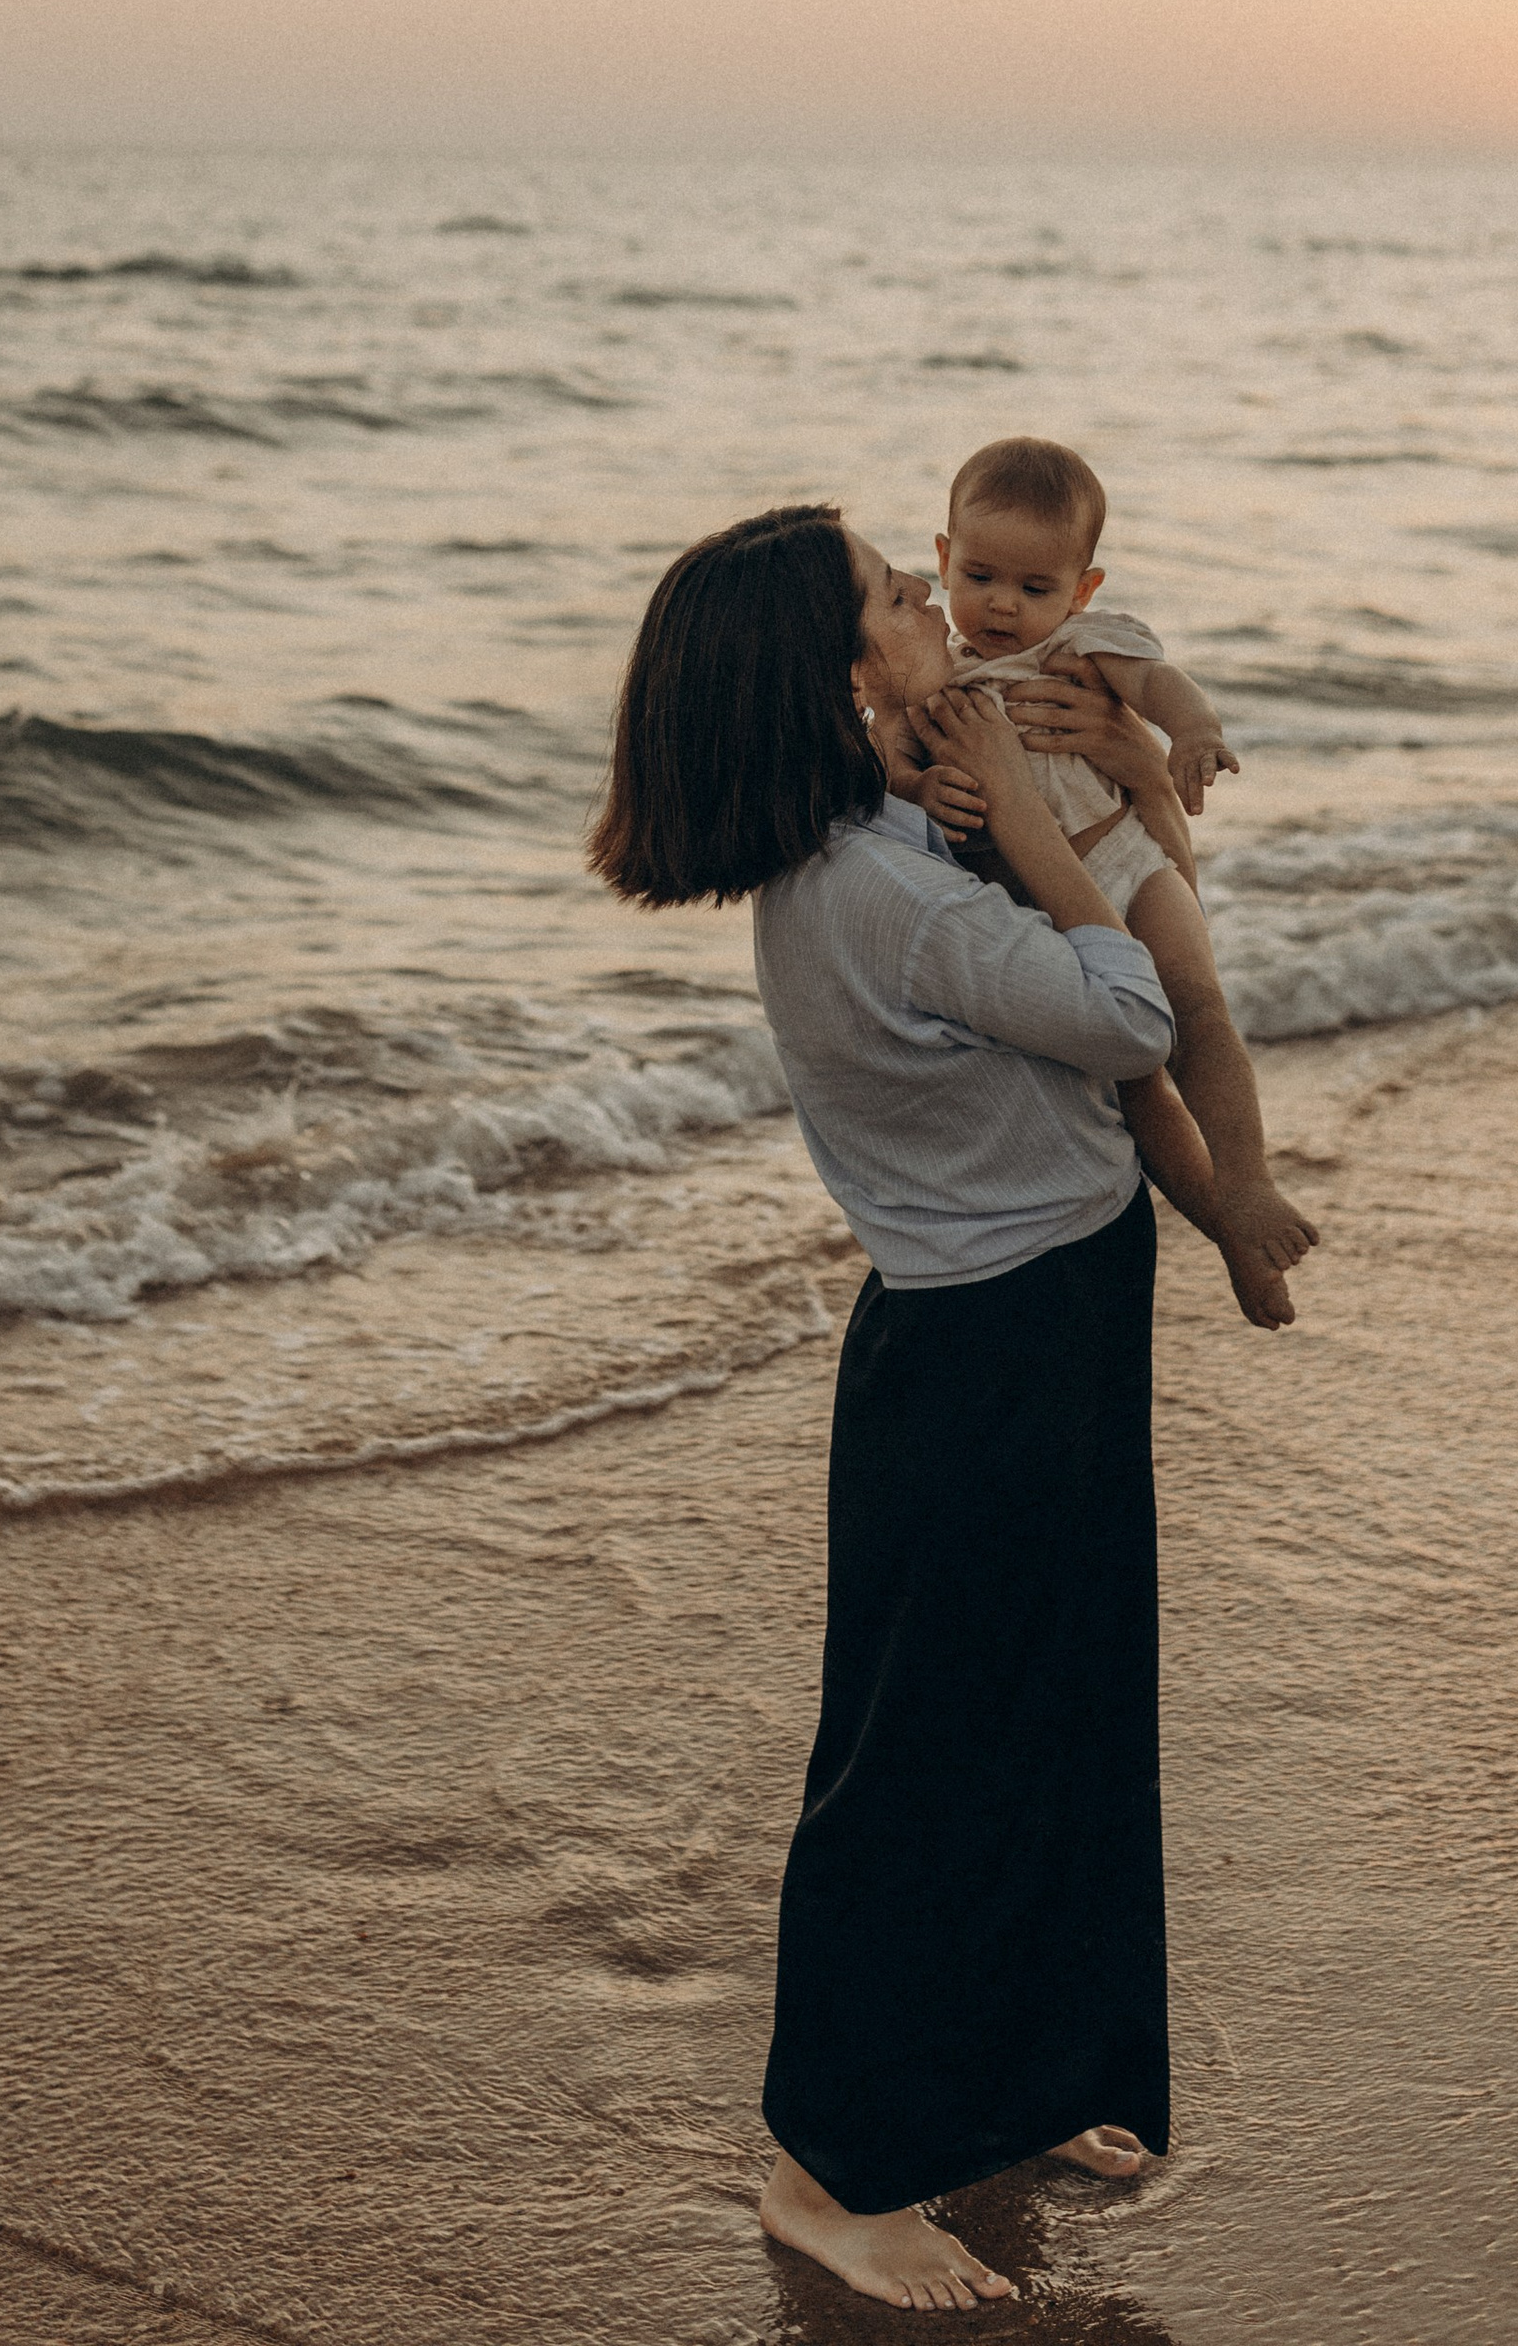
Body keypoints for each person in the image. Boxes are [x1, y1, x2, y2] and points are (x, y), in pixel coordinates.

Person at [590, 503, 1306, 2312]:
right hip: (986, 1347)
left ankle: (1026, 2080)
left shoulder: (884, 835)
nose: (932, 598)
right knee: (924, 1762)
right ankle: (827, 2173)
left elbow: (1074, 846)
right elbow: (1130, 1017)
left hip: (1042, 1314)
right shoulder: (883, 895)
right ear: (843, 673)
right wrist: (1064, 845)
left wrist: (1101, 754)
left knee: (1057, 1711)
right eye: (898, 594)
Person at [880, 433, 1316, 1329]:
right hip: (1038, 910)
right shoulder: (936, 674)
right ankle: (1228, 1235)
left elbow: (1160, 685)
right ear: (943, 558)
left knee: (1198, 1011)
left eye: (1036, 588)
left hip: (1128, 862)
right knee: (1134, 1088)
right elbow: (891, 766)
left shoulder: (1081, 647)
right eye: (980, 576)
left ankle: (1248, 1181)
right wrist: (919, 788)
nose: (1004, 604)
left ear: (1082, 590)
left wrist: (1193, 732)